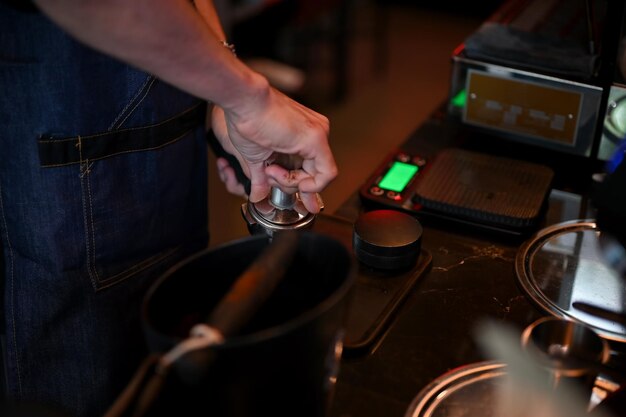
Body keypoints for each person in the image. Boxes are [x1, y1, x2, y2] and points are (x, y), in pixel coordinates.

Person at [0, 0, 337, 416]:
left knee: (173, 361)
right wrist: (248, 97)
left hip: (162, 145)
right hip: (64, 160)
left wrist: (221, 92)